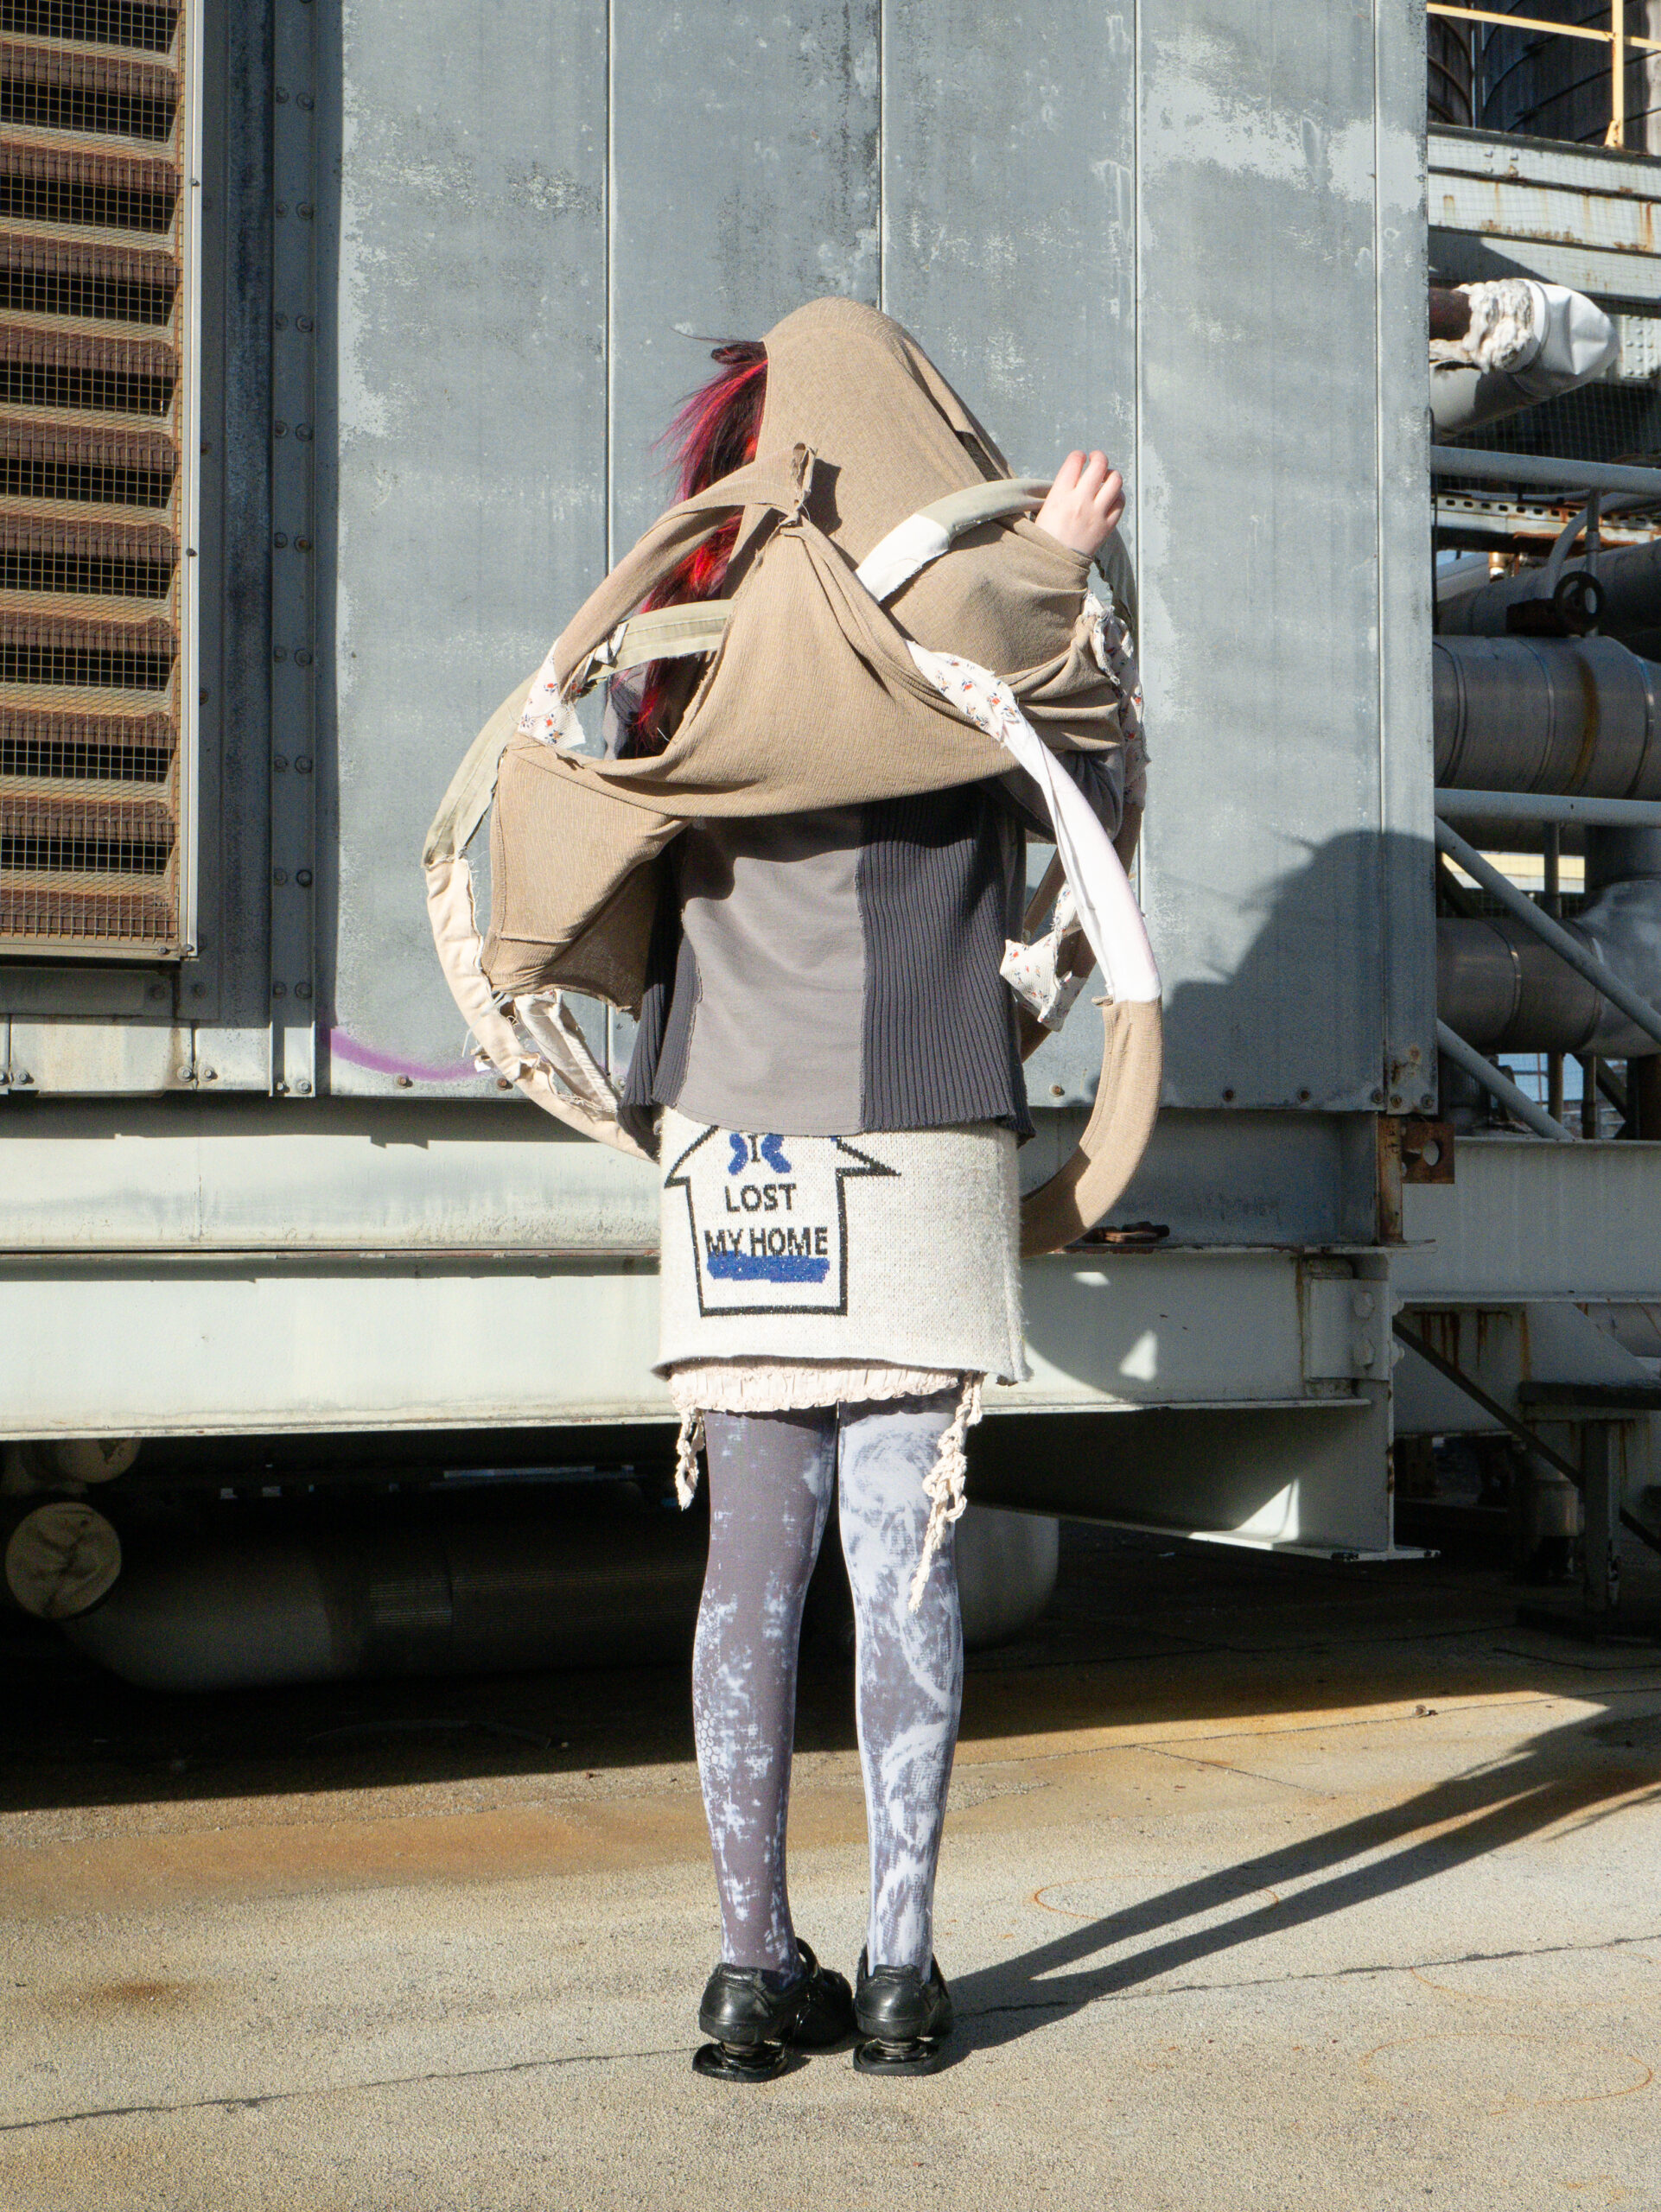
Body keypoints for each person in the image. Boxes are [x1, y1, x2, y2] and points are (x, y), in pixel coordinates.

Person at [601, 299, 1144, 2081]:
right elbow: (1092, 770)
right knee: (904, 1565)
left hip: (735, 1145)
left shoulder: (686, 644)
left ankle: (753, 1972)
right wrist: (1059, 559)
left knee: (744, 1576)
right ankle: (902, 1972)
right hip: (915, 1132)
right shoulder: (952, 647)